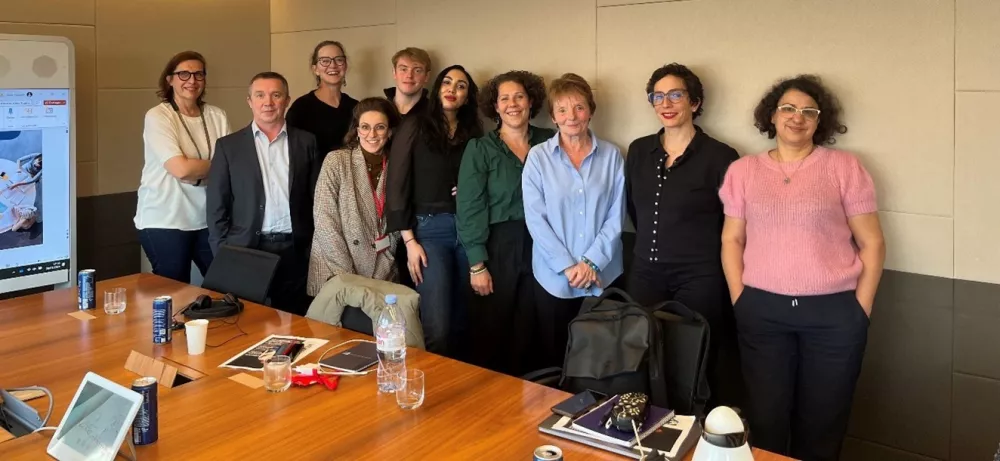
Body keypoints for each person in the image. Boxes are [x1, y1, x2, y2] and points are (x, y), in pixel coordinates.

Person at [719, 75, 885, 461]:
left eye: (809, 111)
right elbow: (732, 240)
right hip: (762, 312)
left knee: (823, 422)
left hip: (834, 315)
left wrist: (860, 309)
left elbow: (872, 242)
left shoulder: (844, 168)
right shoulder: (743, 172)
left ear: (819, 121)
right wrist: (739, 297)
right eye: (788, 108)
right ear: (772, 117)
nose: (798, 117)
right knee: (765, 419)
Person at [624, 63, 743, 408]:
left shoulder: (722, 156)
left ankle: (693, 431)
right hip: (645, 270)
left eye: (676, 94)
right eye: (657, 96)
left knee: (695, 360)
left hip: (700, 275)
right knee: (641, 356)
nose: (666, 103)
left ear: (694, 102)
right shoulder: (638, 151)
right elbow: (635, 209)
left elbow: (732, 224)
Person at [522, 73, 625, 369]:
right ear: (553, 116)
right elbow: (536, 219)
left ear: (590, 110)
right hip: (554, 279)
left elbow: (615, 216)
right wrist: (568, 266)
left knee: (601, 362)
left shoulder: (612, 156)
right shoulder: (538, 158)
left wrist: (591, 262)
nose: (572, 116)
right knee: (556, 359)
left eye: (579, 107)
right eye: (563, 109)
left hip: (603, 275)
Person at [457, 70, 554, 376]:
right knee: (494, 329)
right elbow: (470, 207)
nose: (513, 104)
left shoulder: (550, 142)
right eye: (505, 98)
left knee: (535, 327)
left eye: (519, 96)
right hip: (498, 246)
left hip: (544, 245)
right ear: (495, 107)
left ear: (531, 102)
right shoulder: (480, 149)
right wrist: (477, 265)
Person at [385, 65, 483, 356]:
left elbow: (480, 177)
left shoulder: (473, 131)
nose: (453, 89)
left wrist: (467, 187)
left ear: (467, 97)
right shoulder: (414, 125)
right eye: (447, 82)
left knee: (467, 321)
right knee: (437, 325)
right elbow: (396, 183)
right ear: (437, 88)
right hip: (429, 232)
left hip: (468, 230)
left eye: (461, 86)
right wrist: (410, 241)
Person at [207, 72, 321, 315]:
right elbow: (217, 206)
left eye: (276, 95)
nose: (268, 102)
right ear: (249, 101)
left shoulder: (306, 142)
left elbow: (316, 199)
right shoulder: (229, 146)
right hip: (247, 249)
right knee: (246, 320)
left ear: (287, 100)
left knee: (294, 319)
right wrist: (222, 251)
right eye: (260, 95)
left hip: (295, 250)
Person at [135, 51, 230, 284]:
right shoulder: (159, 116)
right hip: (165, 220)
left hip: (207, 219)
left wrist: (200, 168)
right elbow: (181, 169)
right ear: (170, 80)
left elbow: (231, 165)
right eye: (184, 74)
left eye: (199, 74)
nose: (192, 80)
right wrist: (211, 168)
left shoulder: (217, 115)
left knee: (226, 285)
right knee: (174, 293)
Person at [307, 98, 402, 295]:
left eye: (380, 127)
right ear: (357, 131)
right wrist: (347, 275)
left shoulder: (398, 166)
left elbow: (400, 218)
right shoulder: (337, 161)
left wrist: (388, 257)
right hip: (336, 270)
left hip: (382, 269)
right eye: (365, 127)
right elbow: (325, 222)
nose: (372, 134)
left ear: (390, 131)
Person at [286, 40, 358, 156]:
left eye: (339, 60)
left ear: (345, 66)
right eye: (325, 61)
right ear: (315, 69)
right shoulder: (301, 108)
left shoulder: (356, 107)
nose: (333, 65)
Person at [384, 47, 431, 119]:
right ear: (394, 72)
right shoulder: (378, 110)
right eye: (403, 69)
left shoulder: (434, 114)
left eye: (417, 70)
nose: (409, 76)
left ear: (427, 76)